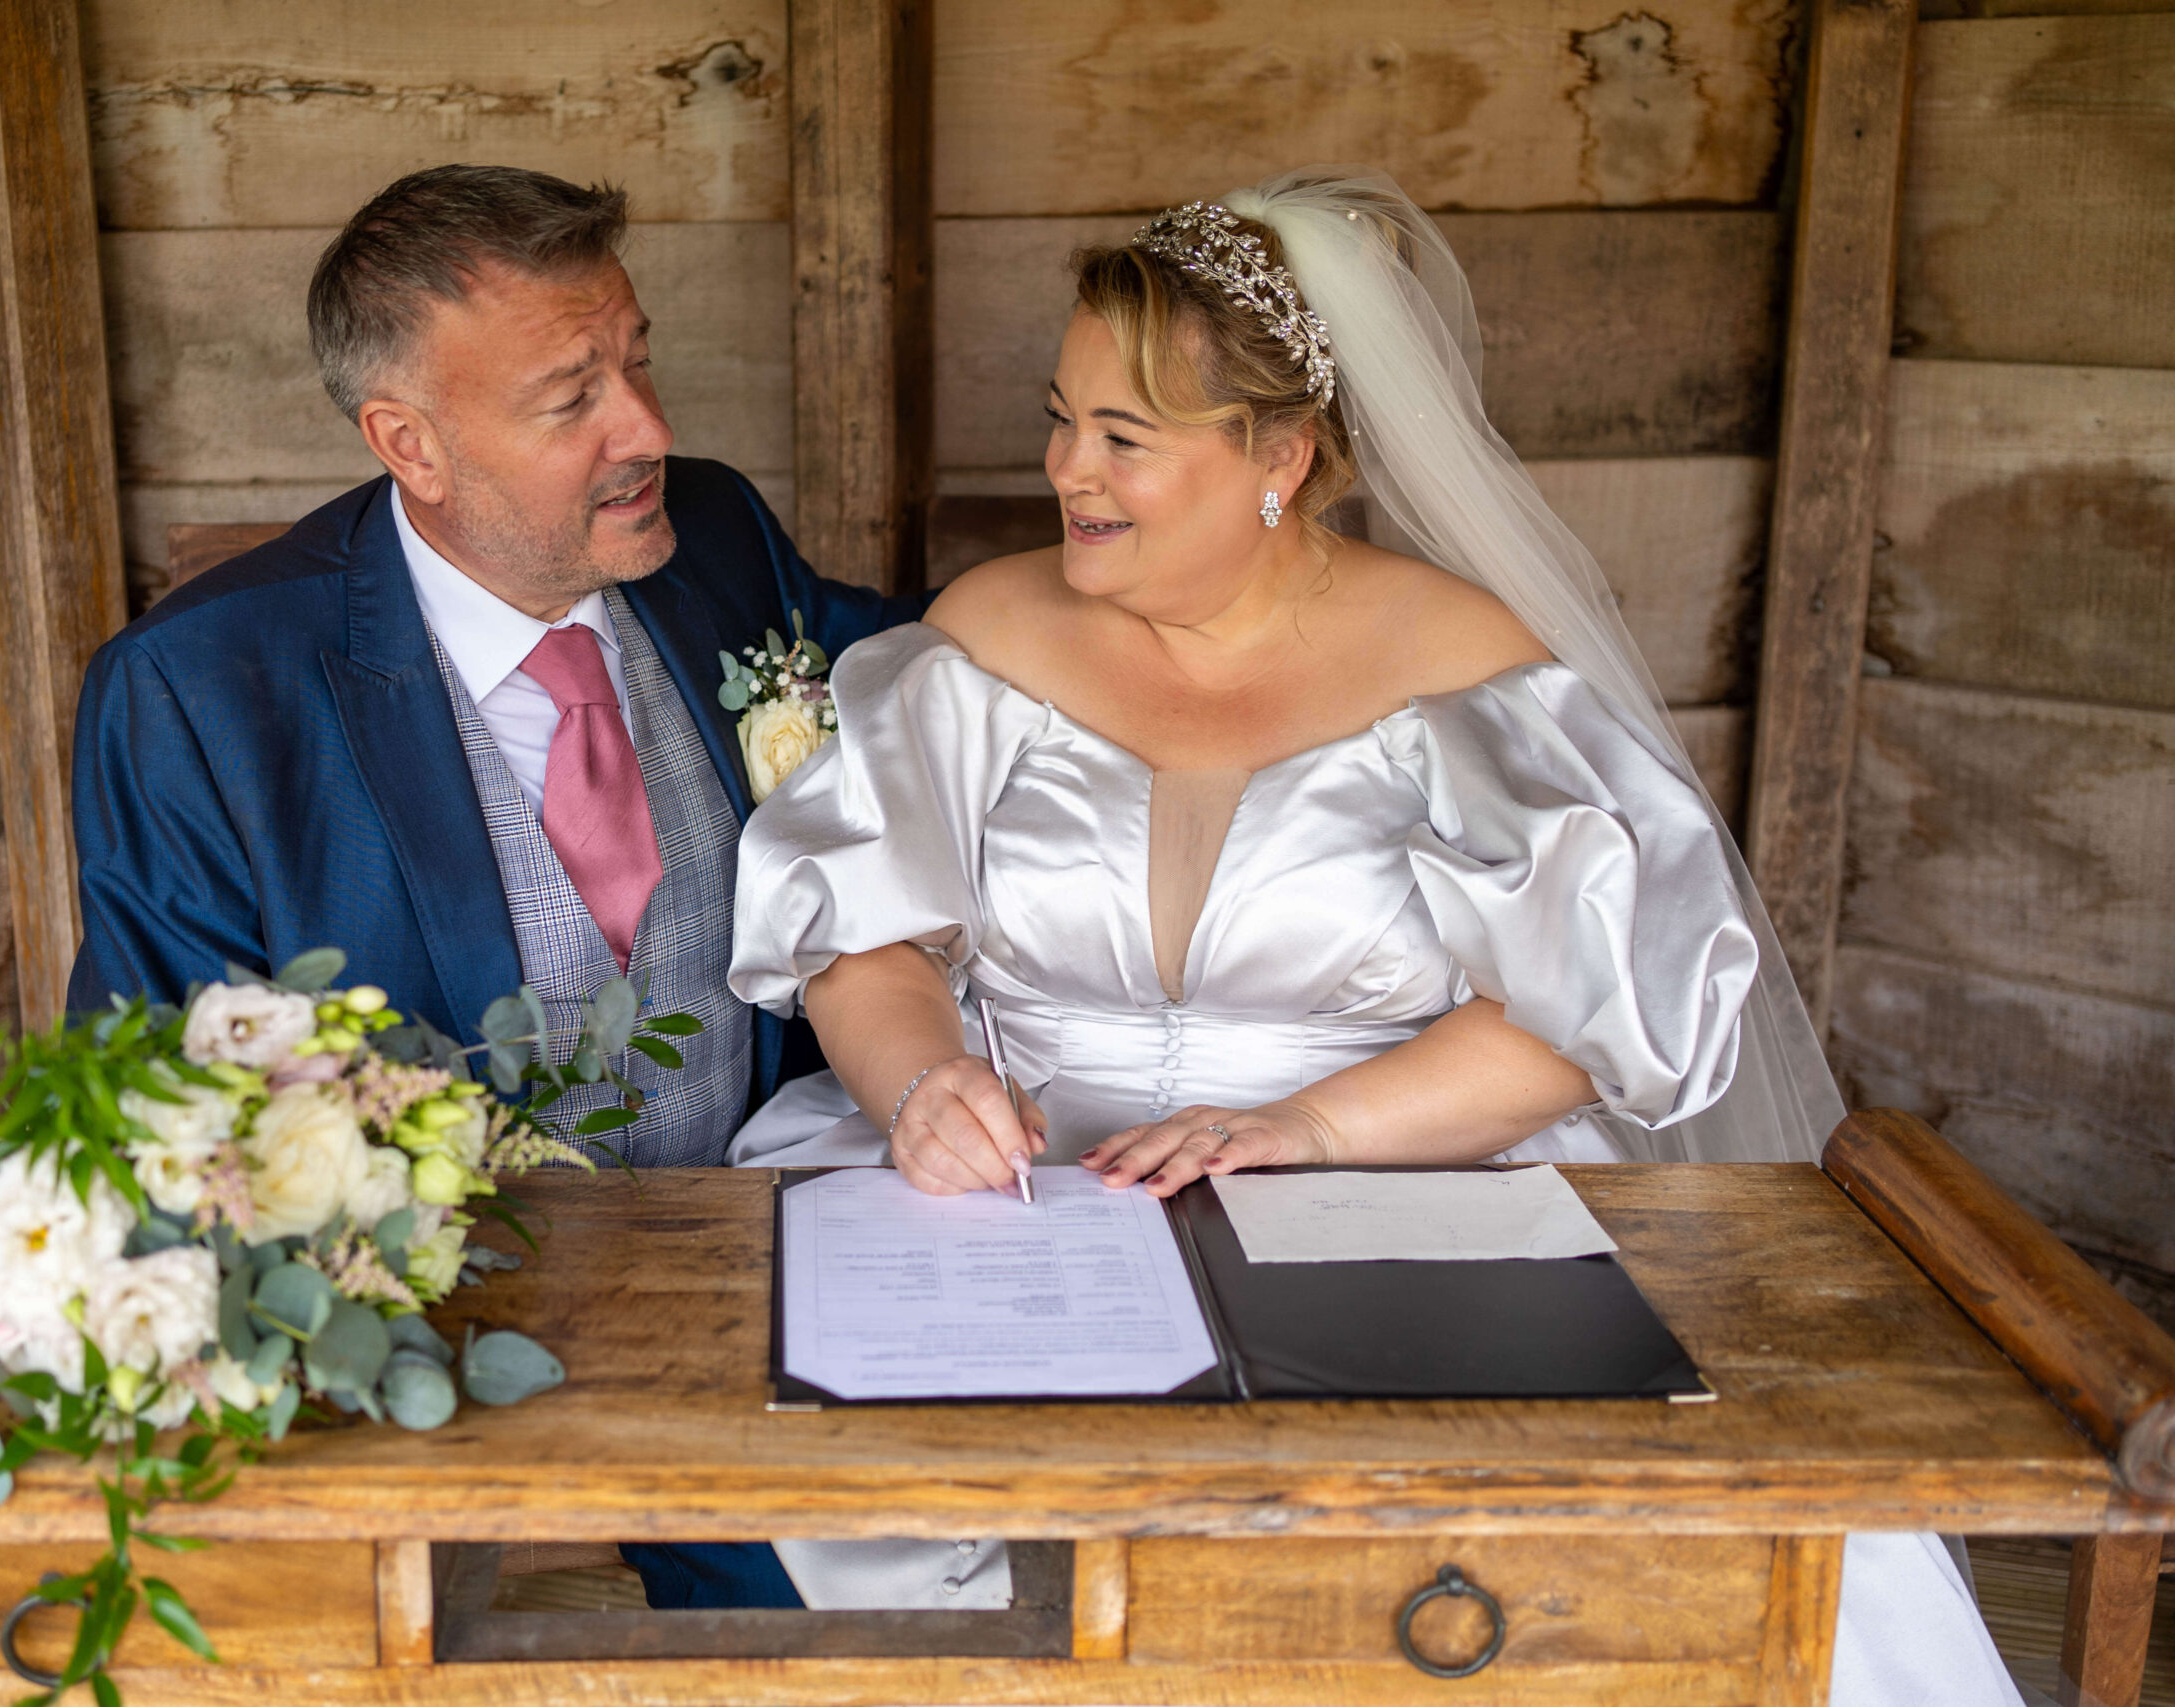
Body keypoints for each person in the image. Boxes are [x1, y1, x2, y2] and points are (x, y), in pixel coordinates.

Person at [727, 167, 2022, 1703]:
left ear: (1283, 455)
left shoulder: (1460, 670)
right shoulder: (990, 636)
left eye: (1125, 437)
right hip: (1019, 1202)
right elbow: (865, 940)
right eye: (1062, 414)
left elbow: (1579, 1015)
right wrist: (919, 1086)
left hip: (1396, 1188)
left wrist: (1306, 1126)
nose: (1068, 465)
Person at [63, 163, 920, 1610]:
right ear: (412, 442)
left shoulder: (712, 535)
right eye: (570, 397)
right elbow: (163, 1103)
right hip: (451, 1375)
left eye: (637, 361)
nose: (646, 429)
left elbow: (921, 681)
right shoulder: (199, 694)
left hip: (778, 1306)